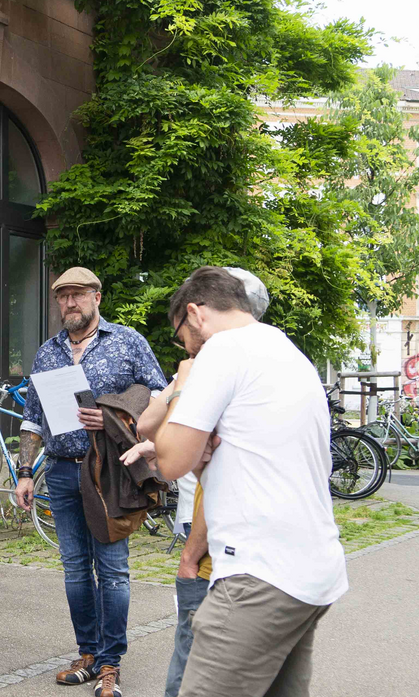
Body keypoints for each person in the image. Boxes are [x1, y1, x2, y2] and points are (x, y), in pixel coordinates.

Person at [152, 267, 348, 697]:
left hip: (259, 574)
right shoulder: (287, 352)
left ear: (195, 314)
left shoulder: (224, 350)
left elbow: (168, 460)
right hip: (313, 570)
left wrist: (182, 387)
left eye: (182, 337)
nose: (186, 350)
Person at [14, 267, 167, 697]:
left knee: (113, 570)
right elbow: (33, 417)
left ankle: (110, 664)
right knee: (76, 570)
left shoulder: (127, 341)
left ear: (97, 297)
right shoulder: (48, 352)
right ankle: (88, 653)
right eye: (62, 297)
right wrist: (26, 471)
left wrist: (117, 416)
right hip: (61, 470)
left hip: (109, 469)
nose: (69, 304)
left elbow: (160, 394)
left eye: (78, 295)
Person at [129, 267, 268, 697]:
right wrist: (181, 384)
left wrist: (191, 554)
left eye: (183, 335)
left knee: (194, 665)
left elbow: (178, 460)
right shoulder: (200, 369)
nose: (184, 347)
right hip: (200, 528)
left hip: (214, 542)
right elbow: (146, 425)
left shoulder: (236, 368)